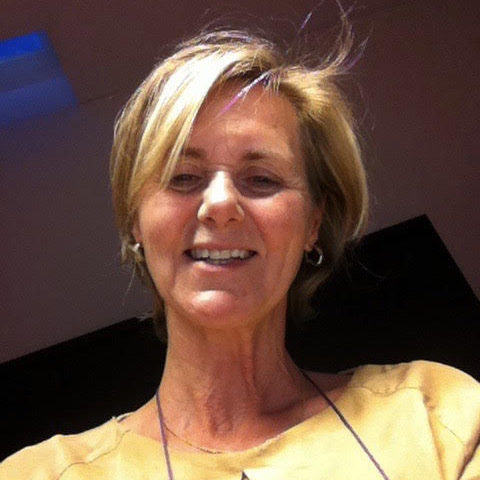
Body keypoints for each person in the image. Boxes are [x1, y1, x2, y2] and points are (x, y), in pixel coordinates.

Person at [1, 27, 479, 480]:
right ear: (134, 221)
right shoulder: (38, 474)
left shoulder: (436, 414)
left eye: (262, 179)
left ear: (313, 223)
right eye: (182, 177)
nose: (220, 204)